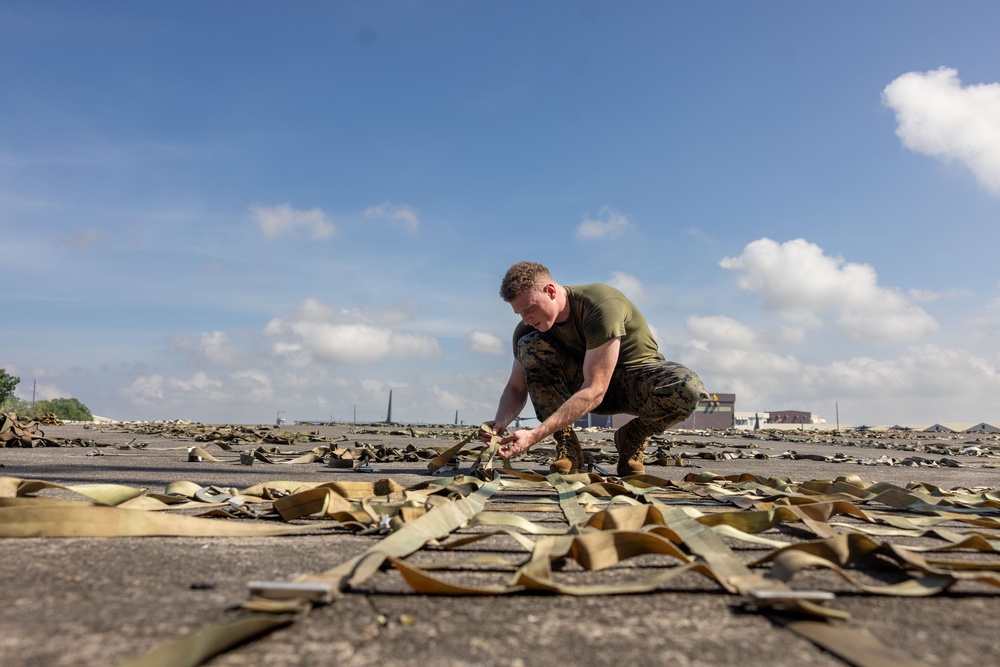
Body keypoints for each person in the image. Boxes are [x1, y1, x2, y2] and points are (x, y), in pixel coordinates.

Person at [480, 261, 708, 476]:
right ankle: (567, 446)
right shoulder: (527, 331)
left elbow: (596, 388)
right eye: (520, 313)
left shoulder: (600, 305)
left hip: (632, 381)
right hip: (580, 389)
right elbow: (517, 388)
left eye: (529, 308)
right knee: (530, 345)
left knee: (687, 388)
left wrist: (534, 435)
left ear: (550, 290)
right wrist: (500, 422)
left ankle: (633, 436)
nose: (526, 319)